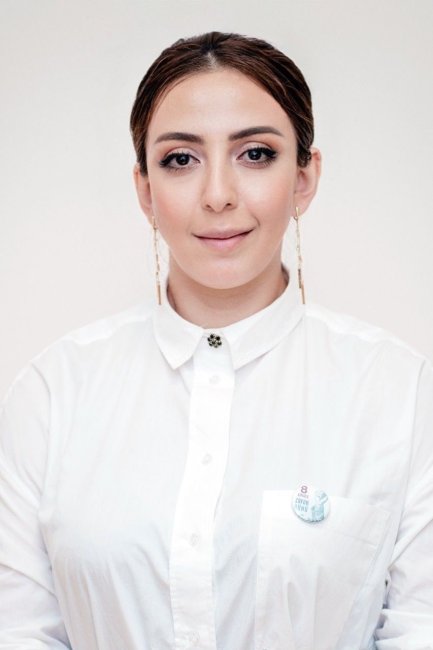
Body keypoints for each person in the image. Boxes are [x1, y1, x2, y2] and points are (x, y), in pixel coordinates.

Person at [0, 30, 432, 650]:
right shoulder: (53, 395)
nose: (218, 196)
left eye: (255, 153)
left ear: (305, 178)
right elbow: (19, 632)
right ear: (145, 190)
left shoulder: (400, 395)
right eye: (181, 159)